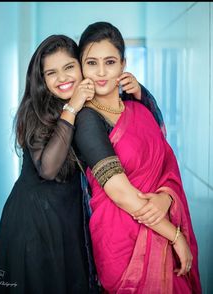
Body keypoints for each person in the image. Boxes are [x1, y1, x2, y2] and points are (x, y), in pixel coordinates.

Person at [0, 34, 163, 294]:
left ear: (81, 67)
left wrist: (140, 92)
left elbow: (150, 131)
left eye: (69, 67)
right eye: (52, 73)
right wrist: (71, 107)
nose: (62, 78)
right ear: (42, 79)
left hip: (71, 217)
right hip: (34, 220)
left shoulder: (94, 106)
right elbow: (48, 169)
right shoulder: (37, 109)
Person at [74, 22, 202, 293]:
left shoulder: (139, 109)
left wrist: (166, 197)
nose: (100, 72)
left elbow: (167, 163)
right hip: (121, 246)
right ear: (81, 67)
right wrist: (176, 236)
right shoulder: (86, 120)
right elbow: (120, 192)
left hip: (159, 223)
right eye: (91, 62)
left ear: (123, 64)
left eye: (109, 62)